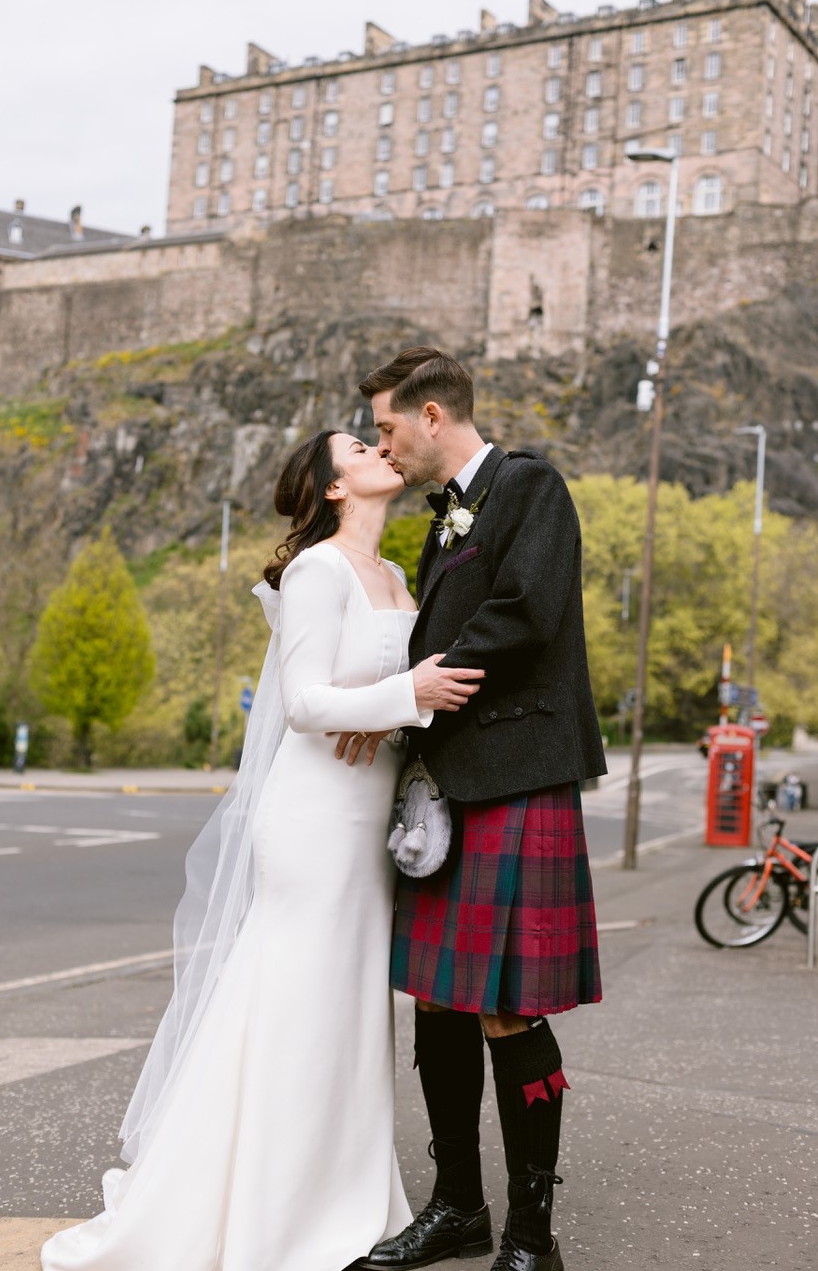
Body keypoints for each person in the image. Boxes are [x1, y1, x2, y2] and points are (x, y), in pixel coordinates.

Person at [40, 430, 484, 1271]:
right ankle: (262, 1205)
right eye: (361, 443)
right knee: (295, 1001)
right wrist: (410, 691)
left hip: (365, 821)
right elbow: (305, 700)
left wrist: (394, 710)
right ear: (334, 486)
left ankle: (338, 1193)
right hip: (314, 818)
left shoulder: (393, 575)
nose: (380, 445)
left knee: (349, 1008)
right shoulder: (317, 569)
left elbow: (365, 697)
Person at [344, 348, 606, 1271]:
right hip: (451, 785)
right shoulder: (446, 519)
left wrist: (412, 692)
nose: (384, 444)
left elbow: (525, 612)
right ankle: (458, 1206)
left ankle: (533, 1237)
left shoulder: (527, 489)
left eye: (384, 426)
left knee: (505, 1008)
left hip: (514, 773)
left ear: (428, 416)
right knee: (440, 1002)